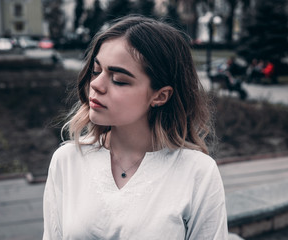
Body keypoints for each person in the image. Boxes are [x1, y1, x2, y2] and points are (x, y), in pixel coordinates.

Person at [43, 15, 228, 239]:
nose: (96, 84)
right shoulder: (67, 160)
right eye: (96, 70)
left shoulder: (198, 172)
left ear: (160, 96)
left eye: (119, 79)